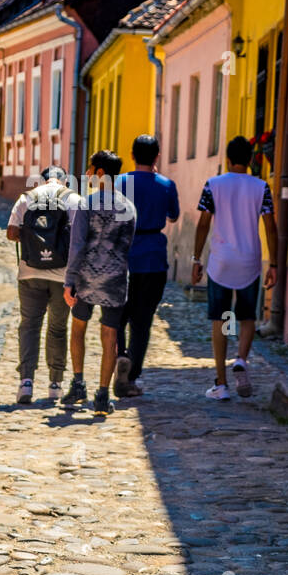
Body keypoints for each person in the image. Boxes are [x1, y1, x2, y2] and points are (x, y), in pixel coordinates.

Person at [191, 135, 278, 401]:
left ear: (228, 159)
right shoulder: (261, 187)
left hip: (221, 262)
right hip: (249, 260)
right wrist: (273, 263)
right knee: (247, 317)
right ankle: (241, 358)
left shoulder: (214, 185)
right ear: (251, 159)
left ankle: (221, 383)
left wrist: (196, 259)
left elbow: (204, 223)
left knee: (221, 318)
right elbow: (270, 226)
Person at [63, 150, 136, 417]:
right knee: (110, 337)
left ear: (101, 173)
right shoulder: (128, 207)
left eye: (91, 170)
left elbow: (78, 245)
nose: (89, 175)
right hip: (115, 280)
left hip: (86, 278)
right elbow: (128, 246)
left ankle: (79, 382)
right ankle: (103, 395)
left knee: (78, 329)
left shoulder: (86, 204)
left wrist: (69, 280)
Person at [113, 134, 179, 398]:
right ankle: (131, 375)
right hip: (153, 257)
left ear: (131, 155)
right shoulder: (166, 184)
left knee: (118, 316)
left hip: (123, 255)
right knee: (142, 321)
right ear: (156, 157)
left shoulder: (120, 182)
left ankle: (120, 355)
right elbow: (173, 215)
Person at [7, 166, 79, 405]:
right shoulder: (73, 199)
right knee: (58, 328)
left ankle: (26, 382)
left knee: (29, 326)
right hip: (62, 275)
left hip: (30, 273)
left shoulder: (27, 198)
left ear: (42, 179)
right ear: (65, 180)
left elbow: (10, 232)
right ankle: (55, 384)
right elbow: (80, 238)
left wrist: (32, 239)